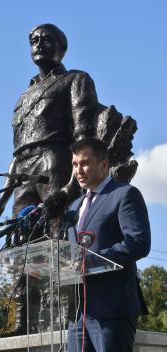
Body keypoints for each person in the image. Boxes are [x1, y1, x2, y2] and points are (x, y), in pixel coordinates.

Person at [0, 23, 98, 226]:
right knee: (21, 237)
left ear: (62, 48)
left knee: (58, 230)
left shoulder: (75, 79)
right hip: (23, 173)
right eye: (34, 41)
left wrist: (72, 185)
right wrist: (2, 200)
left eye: (46, 39)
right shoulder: (24, 97)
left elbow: (84, 138)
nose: (38, 44)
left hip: (55, 162)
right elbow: (18, 153)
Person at [67, 138, 151, 352]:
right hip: (78, 313)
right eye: (75, 164)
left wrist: (93, 260)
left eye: (85, 163)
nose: (79, 170)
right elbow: (72, 252)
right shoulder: (74, 206)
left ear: (104, 165)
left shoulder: (124, 194)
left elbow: (138, 242)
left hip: (112, 309)